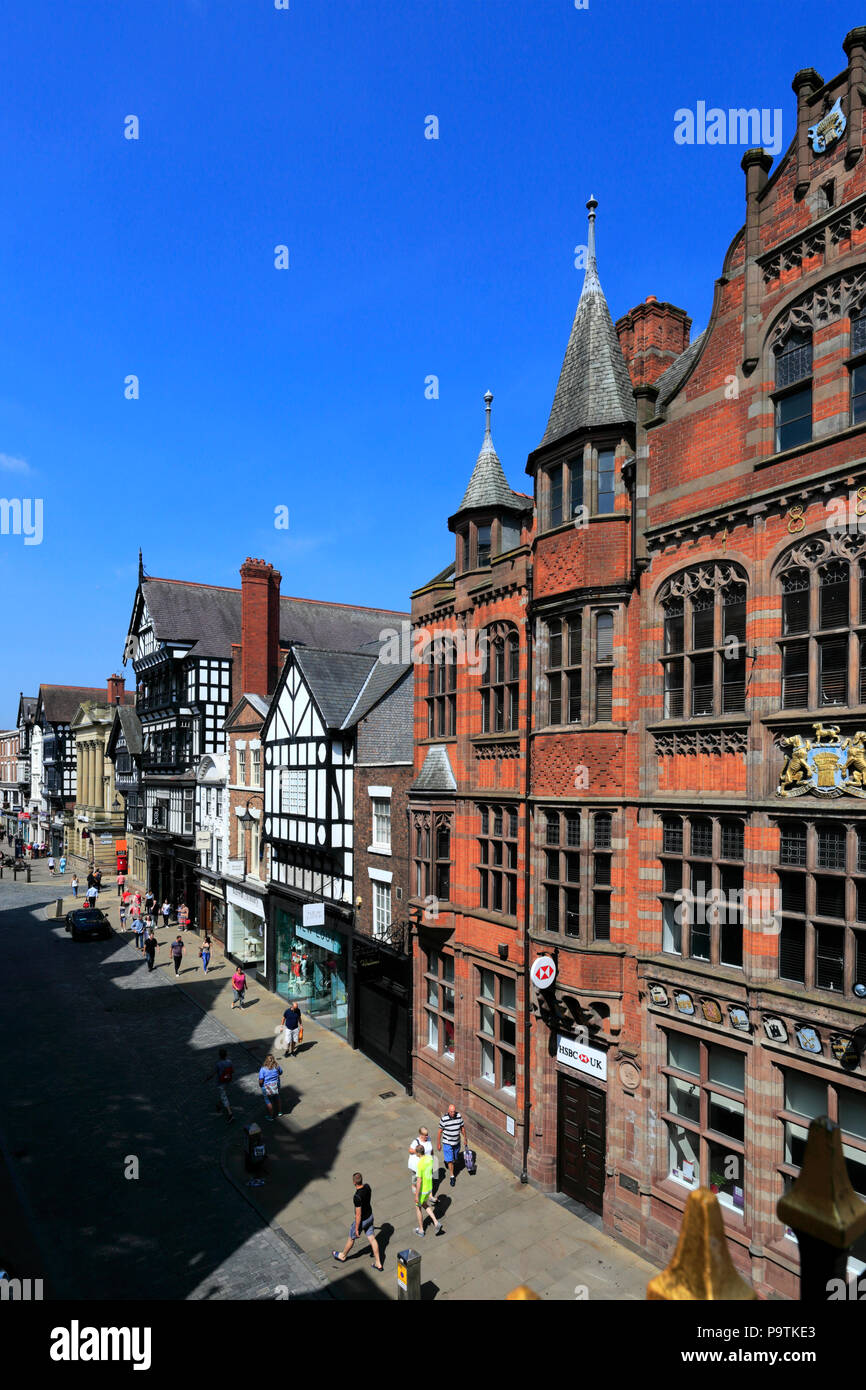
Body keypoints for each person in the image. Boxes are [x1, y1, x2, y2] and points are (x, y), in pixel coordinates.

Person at [332, 1173, 383, 1270]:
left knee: (351, 1238)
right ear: (361, 1180)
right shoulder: (367, 1187)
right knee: (372, 1239)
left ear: (354, 1182)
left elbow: (358, 1215)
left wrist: (356, 1228)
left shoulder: (357, 1197)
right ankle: (378, 1263)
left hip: (362, 1221)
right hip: (370, 1217)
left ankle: (343, 1256)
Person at [412, 1143, 444, 1238]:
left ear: (418, 1153)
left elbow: (419, 1181)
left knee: (418, 1207)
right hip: (429, 1187)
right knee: (425, 1204)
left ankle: (421, 1230)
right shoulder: (430, 1158)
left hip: (423, 1190)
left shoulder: (420, 1165)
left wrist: (416, 1195)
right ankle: (436, 1222)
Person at [437, 1104, 468, 1188]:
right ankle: (452, 1176)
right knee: (450, 1160)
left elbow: (462, 1128)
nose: (453, 1113)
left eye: (454, 1111)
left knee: (455, 1157)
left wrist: (465, 1138)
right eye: (451, 1111)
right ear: (448, 1111)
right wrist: (438, 1143)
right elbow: (439, 1131)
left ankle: (451, 1161)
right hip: (447, 1143)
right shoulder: (444, 1119)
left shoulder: (459, 1116)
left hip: (456, 1142)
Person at [204, 1047, 234, 1123]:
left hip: (221, 1082)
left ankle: (230, 1114)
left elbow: (213, 1073)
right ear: (226, 1055)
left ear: (219, 1056)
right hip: (228, 1080)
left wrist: (207, 1079)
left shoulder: (218, 1064)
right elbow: (232, 1071)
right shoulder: (229, 1062)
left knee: (224, 1096)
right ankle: (218, 1104)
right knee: (223, 1094)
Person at [258, 1053, 283, 1121]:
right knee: (277, 1097)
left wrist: (261, 1086)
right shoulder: (277, 1066)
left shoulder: (263, 1069)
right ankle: (280, 1112)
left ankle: (271, 1116)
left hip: (266, 1087)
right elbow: (281, 1072)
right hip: (276, 1085)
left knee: (268, 1101)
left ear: (266, 1060)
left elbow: (261, 1081)